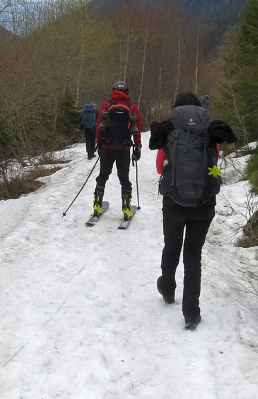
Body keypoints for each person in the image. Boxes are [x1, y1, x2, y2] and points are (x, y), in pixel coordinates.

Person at [148, 91, 236, 329]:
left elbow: (160, 168)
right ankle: (191, 313)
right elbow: (213, 161)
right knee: (193, 256)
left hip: (174, 201)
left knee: (172, 246)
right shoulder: (210, 131)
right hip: (203, 203)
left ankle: (167, 288)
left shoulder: (169, 130)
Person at [92, 81, 143, 220]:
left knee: (103, 176)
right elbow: (137, 130)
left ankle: (97, 206)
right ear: (127, 92)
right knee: (124, 178)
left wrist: (99, 143)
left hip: (107, 147)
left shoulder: (106, 105)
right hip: (124, 149)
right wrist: (138, 147)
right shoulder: (132, 107)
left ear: (113, 90)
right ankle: (126, 209)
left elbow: (98, 126)